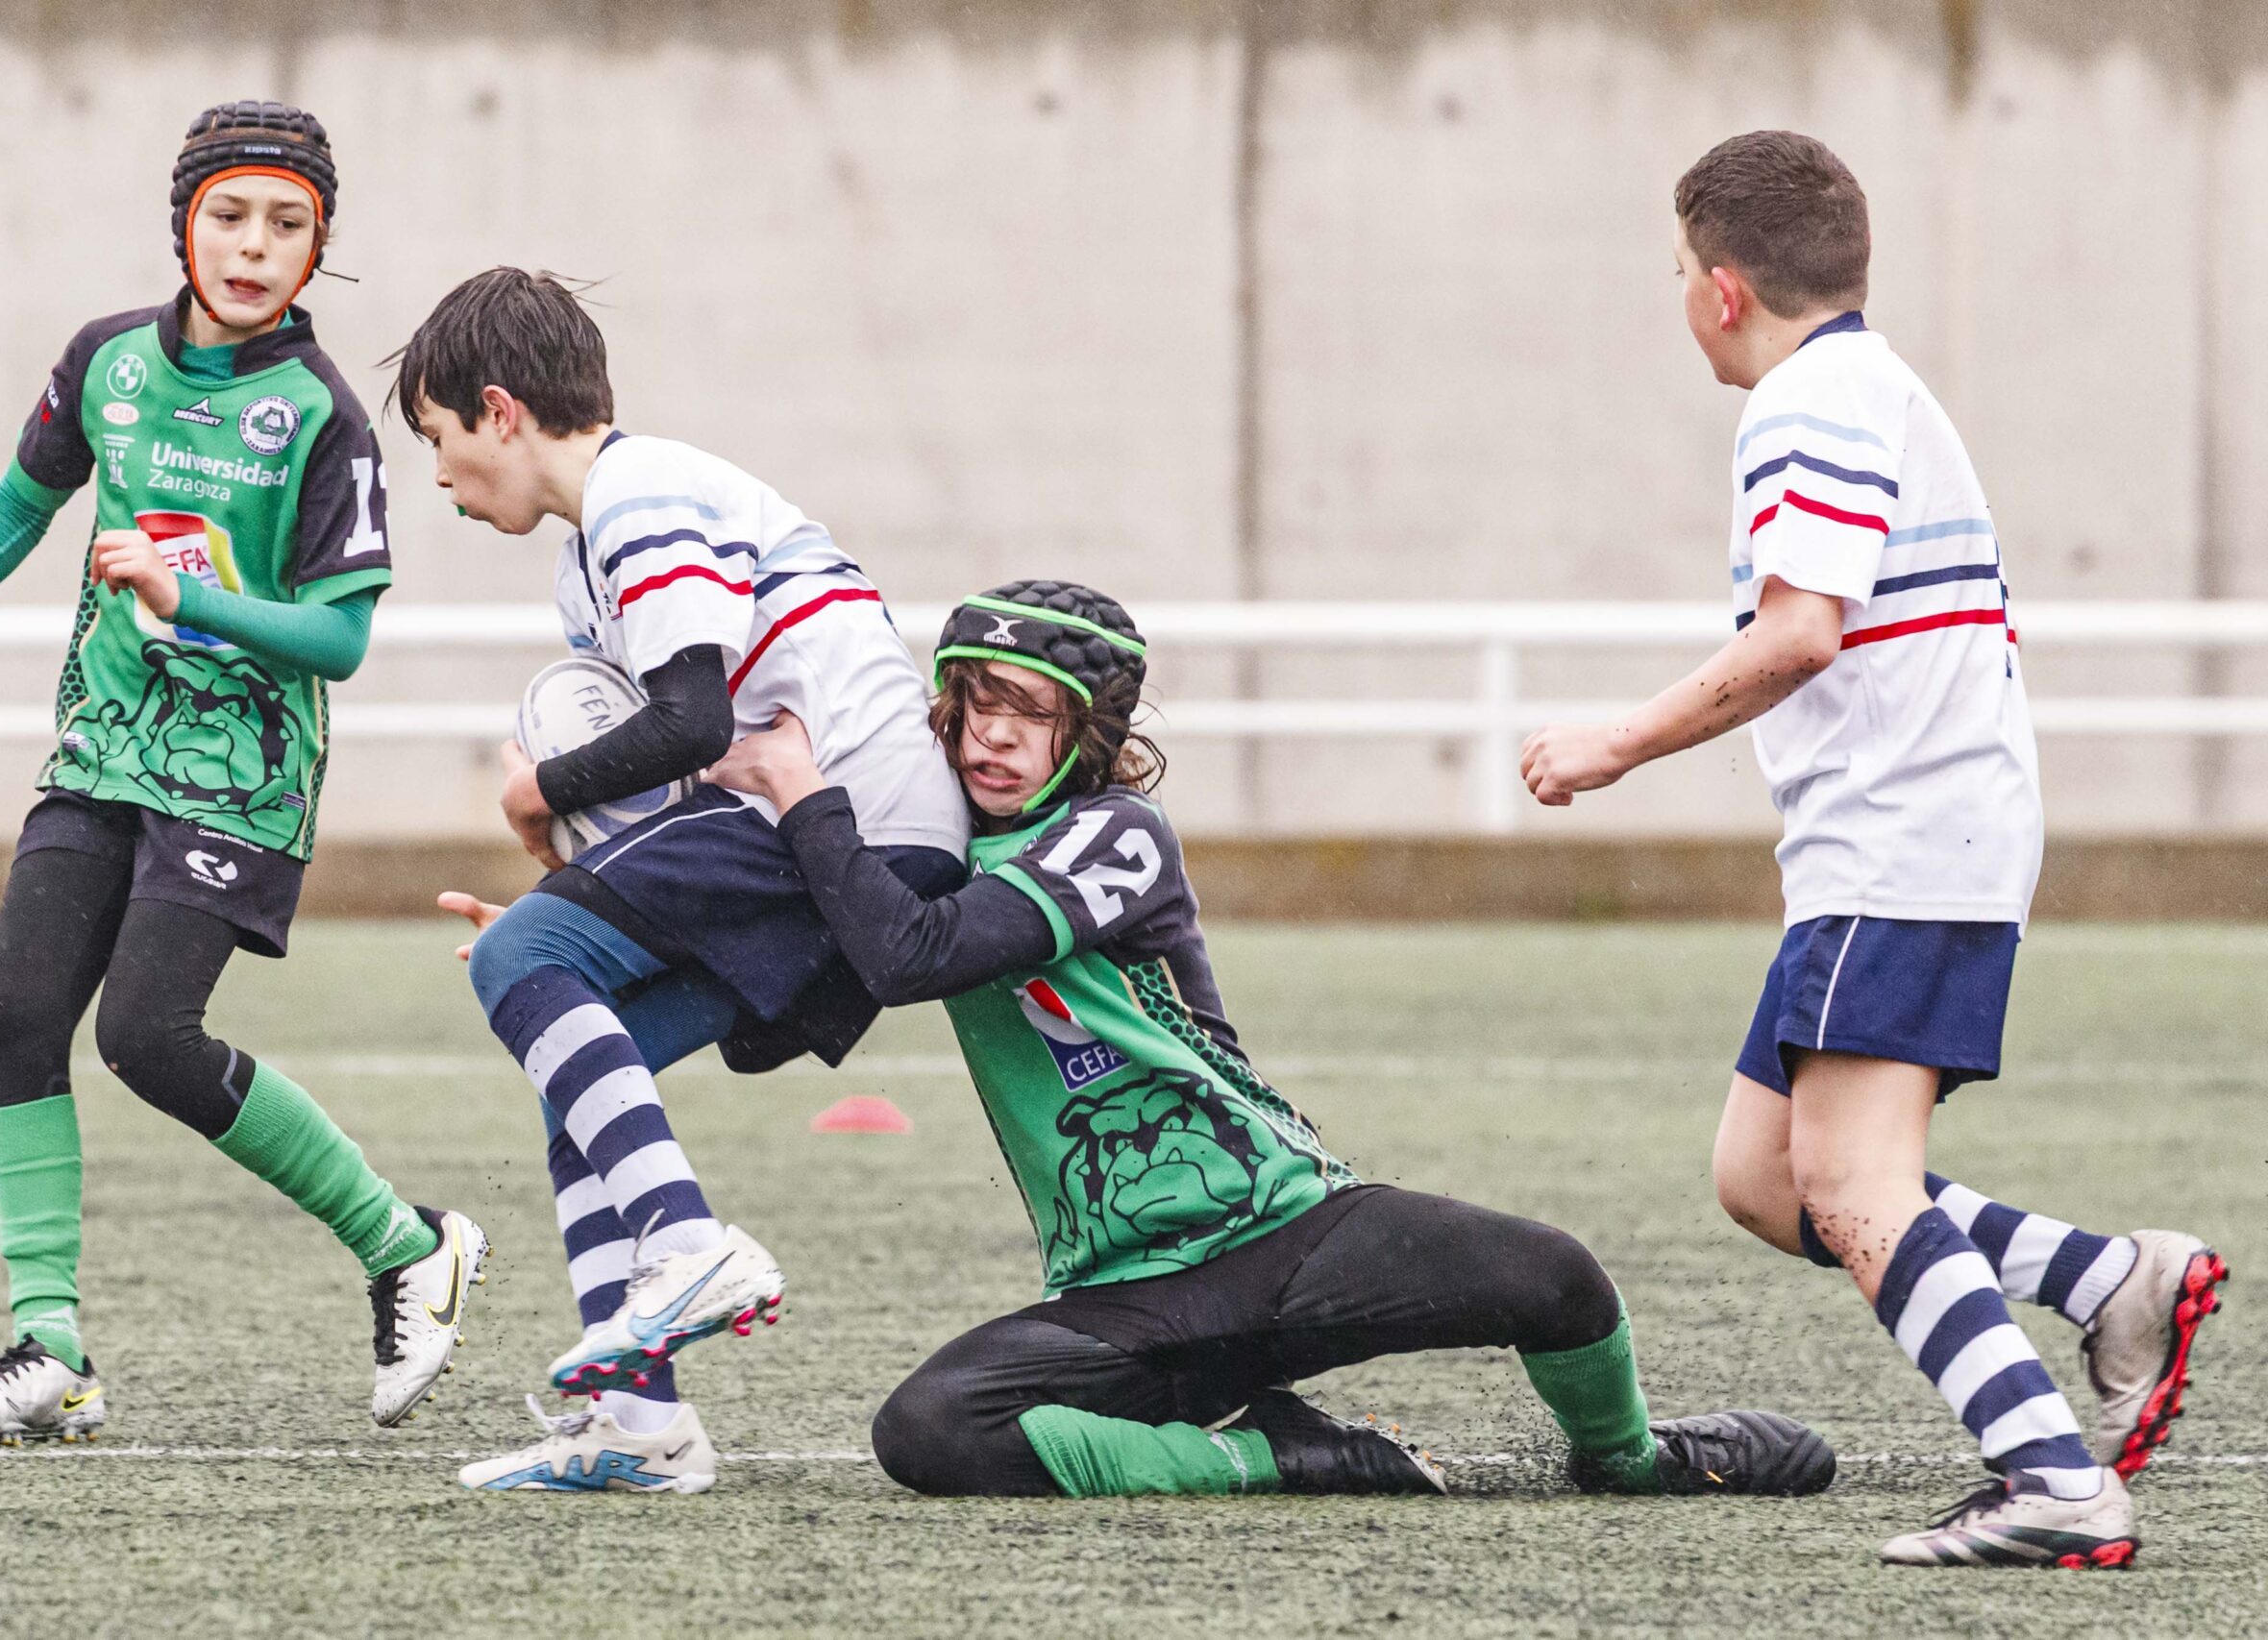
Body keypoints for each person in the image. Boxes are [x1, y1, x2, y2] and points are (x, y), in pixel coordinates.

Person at [703, 578, 1837, 1502]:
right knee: (928, 1430)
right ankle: (1277, 1451)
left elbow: (911, 956)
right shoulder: (921, 869)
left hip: (1289, 1234)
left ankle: (1635, 1461)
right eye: (973, 704)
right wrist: (597, 926)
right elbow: (765, 1033)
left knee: (1558, 1278)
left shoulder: (1117, 834)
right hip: (1126, 1294)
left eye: (1032, 711)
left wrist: (805, 797)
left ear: (1086, 733)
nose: (993, 734)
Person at [1518, 131, 2226, 1568]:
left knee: (1847, 1182)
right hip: (1905, 837)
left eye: (1675, 275)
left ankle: (2053, 1480)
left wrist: (1613, 742)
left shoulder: (1810, 403)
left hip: (1900, 838)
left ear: (1722, 288)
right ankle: (2110, 1279)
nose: (1680, 301)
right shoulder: (1862, 385)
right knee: (1769, 1176)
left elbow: (1799, 628)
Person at [0, 101, 487, 1447]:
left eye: (287, 224)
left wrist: (188, 594)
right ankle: (51, 1347)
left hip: (239, 775)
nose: (254, 244)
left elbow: (337, 634)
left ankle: (408, 1241)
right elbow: (24, 491)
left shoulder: (323, 418)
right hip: (102, 743)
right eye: (230, 213)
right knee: (13, 1006)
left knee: (148, 1035)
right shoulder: (106, 362)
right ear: (184, 225)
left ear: (317, 248)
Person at [396, 269, 970, 1493]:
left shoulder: (638, 491)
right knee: (580, 1065)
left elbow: (688, 719)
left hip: (839, 812)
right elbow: (684, 752)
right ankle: (637, 1431)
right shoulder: (598, 547)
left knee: (518, 961)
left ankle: (690, 1244)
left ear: (499, 411)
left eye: (439, 442)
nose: (439, 478)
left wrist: (534, 798)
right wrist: (593, 893)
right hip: (825, 821)